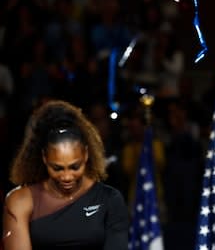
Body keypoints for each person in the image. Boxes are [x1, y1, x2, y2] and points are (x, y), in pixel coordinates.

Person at [2, 100, 129, 250]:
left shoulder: (109, 199)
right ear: (44, 158)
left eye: (75, 167)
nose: (67, 177)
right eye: (57, 168)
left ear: (86, 155)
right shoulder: (20, 201)